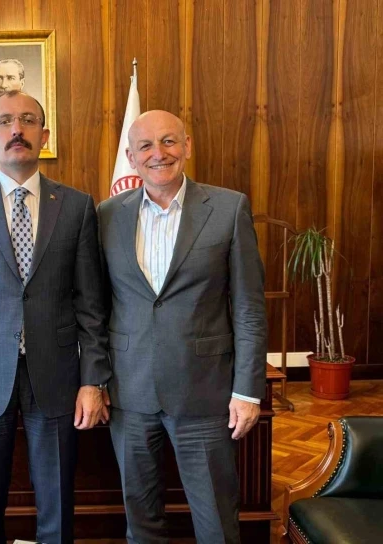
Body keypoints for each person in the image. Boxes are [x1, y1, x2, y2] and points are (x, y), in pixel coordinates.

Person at [0, 90, 111, 544]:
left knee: (57, 498)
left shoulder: (76, 206)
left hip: (56, 374)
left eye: (28, 120)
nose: (17, 130)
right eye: (5, 122)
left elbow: (90, 305)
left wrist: (93, 380)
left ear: (44, 135)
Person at [97, 110, 267, 544]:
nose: (159, 153)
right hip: (129, 394)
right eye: (146, 146)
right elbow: (96, 307)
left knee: (216, 525)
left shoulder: (228, 208)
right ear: (131, 158)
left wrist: (248, 391)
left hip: (205, 393)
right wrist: (94, 379)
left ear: (187, 146)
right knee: (142, 523)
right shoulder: (107, 215)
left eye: (169, 141)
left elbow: (248, 306)